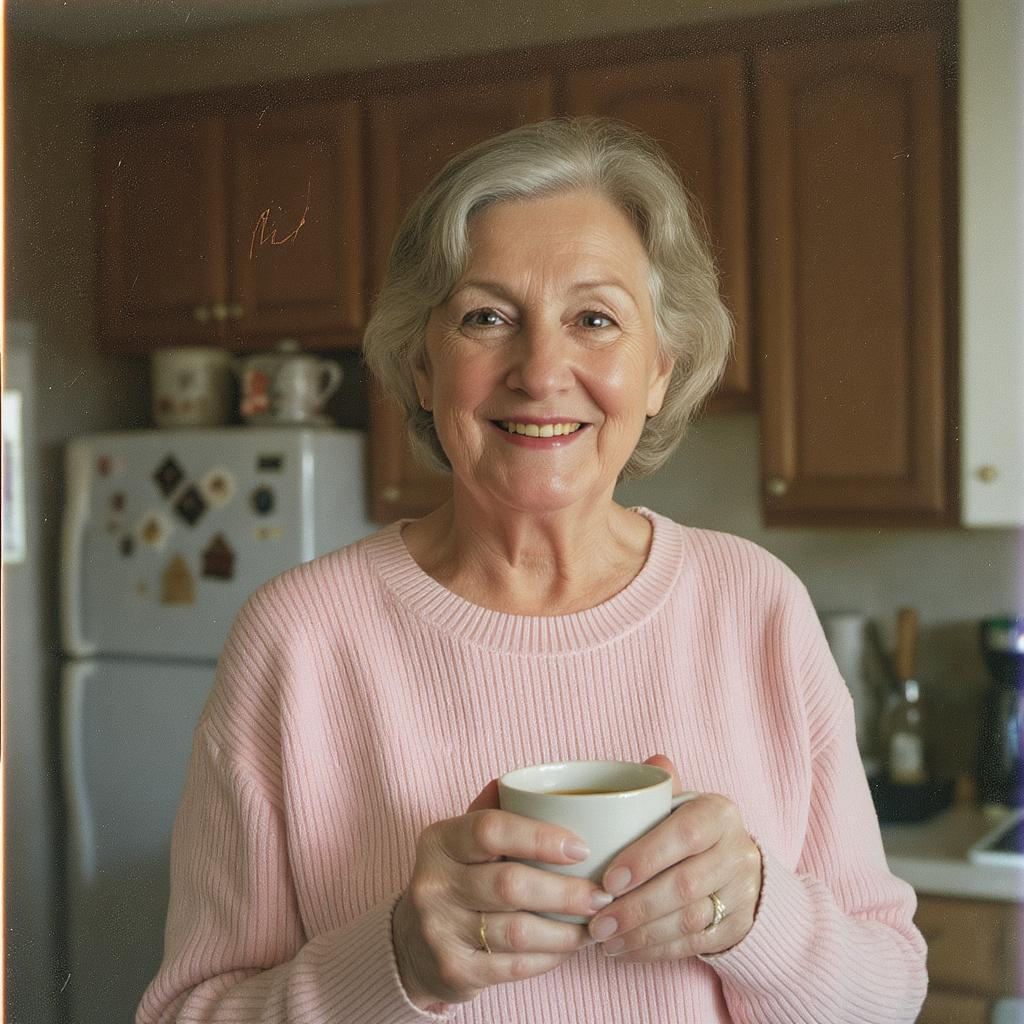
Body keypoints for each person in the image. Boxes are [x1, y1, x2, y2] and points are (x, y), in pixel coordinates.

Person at [137, 117, 927, 1024]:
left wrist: (756, 916)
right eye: (487, 317)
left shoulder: (756, 606)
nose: (542, 370)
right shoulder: (300, 639)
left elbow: (890, 995)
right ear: (421, 366)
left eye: (595, 319)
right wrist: (400, 963)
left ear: (660, 369)